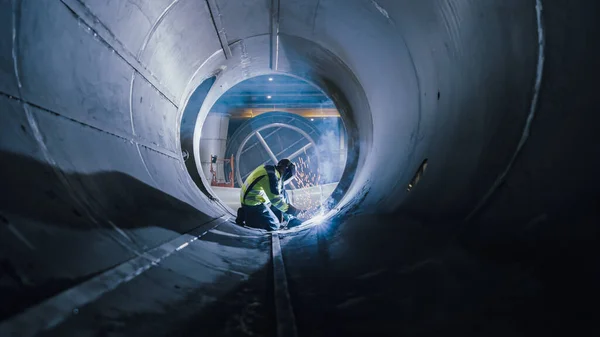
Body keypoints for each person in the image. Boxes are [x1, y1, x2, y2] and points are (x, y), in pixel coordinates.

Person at [236, 159, 304, 231]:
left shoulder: (273, 171)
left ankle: (290, 220)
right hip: (252, 203)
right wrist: (290, 210)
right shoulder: (270, 176)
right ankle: (247, 215)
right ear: (285, 170)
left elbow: (282, 195)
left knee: (283, 193)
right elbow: (275, 200)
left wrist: (290, 218)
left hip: (251, 199)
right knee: (274, 225)